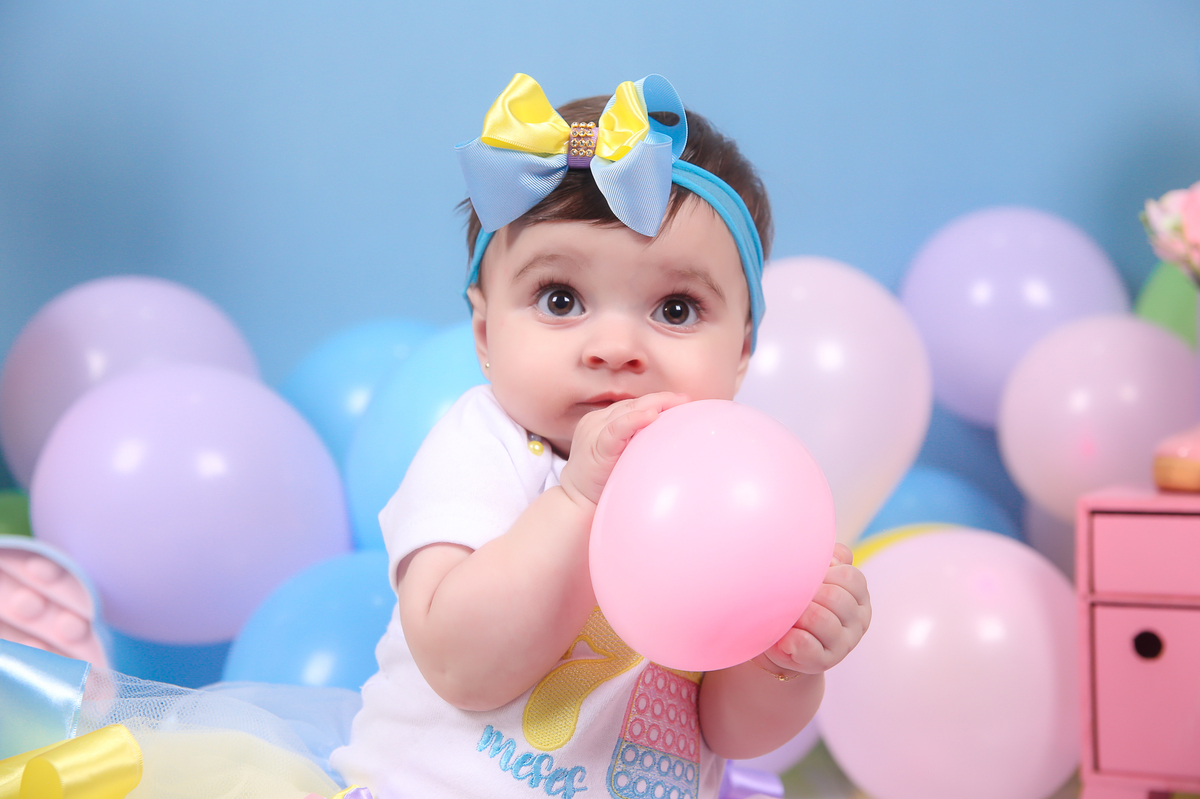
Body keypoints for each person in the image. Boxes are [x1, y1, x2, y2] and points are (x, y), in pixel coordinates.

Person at [330, 73, 872, 799]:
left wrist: (785, 659)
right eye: (561, 299)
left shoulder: (727, 494)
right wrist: (580, 497)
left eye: (676, 308)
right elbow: (462, 663)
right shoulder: (484, 446)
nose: (615, 344)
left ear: (742, 352)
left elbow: (729, 731)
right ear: (487, 332)